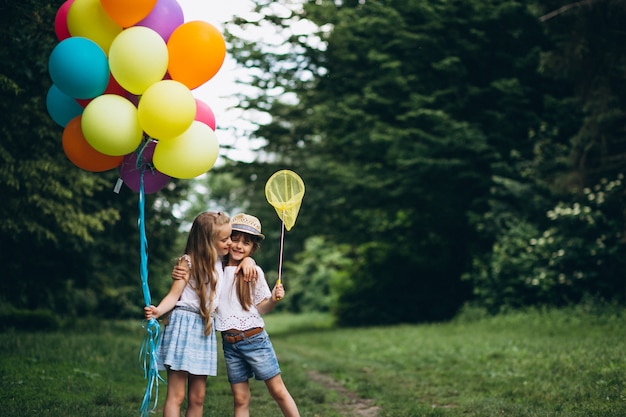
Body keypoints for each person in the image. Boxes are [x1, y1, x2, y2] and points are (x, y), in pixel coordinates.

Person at [172, 213, 300, 417]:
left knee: (277, 390)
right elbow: (195, 264)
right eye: (235, 239)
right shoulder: (215, 267)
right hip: (230, 344)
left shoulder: (253, 271)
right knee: (240, 398)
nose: (239, 246)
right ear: (226, 239)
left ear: (253, 247)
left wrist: (273, 299)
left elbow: (261, 308)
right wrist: (180, 270)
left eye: (246, 243)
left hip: (255, 339)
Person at [144, 211, 257, 417]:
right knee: (176, 396)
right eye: (225, 239)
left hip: (204, 328)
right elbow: (174, 295)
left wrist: (248, 261)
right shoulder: (188, 262)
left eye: (230, 237)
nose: (230, 243)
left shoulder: (221, 263)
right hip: (183, 325)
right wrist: (158, 310)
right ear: (207, 241)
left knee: (198, 397)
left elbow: (243, 261)